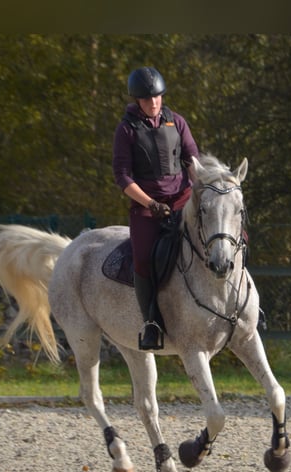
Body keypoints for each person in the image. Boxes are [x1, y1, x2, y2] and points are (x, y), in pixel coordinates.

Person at [112, 66, 199, 350]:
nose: (154, 102)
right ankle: (151, 322)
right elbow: (123, 177)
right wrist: (150, 203)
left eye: (158, 97)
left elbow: (192, 160)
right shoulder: (126, 130)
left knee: (223, 236)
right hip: (148, 207)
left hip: (183, 200)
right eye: (148, 99)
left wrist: (200, 192)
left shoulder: (177, 122)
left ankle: (245, 308)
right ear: (137, 100)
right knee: (143, 259)